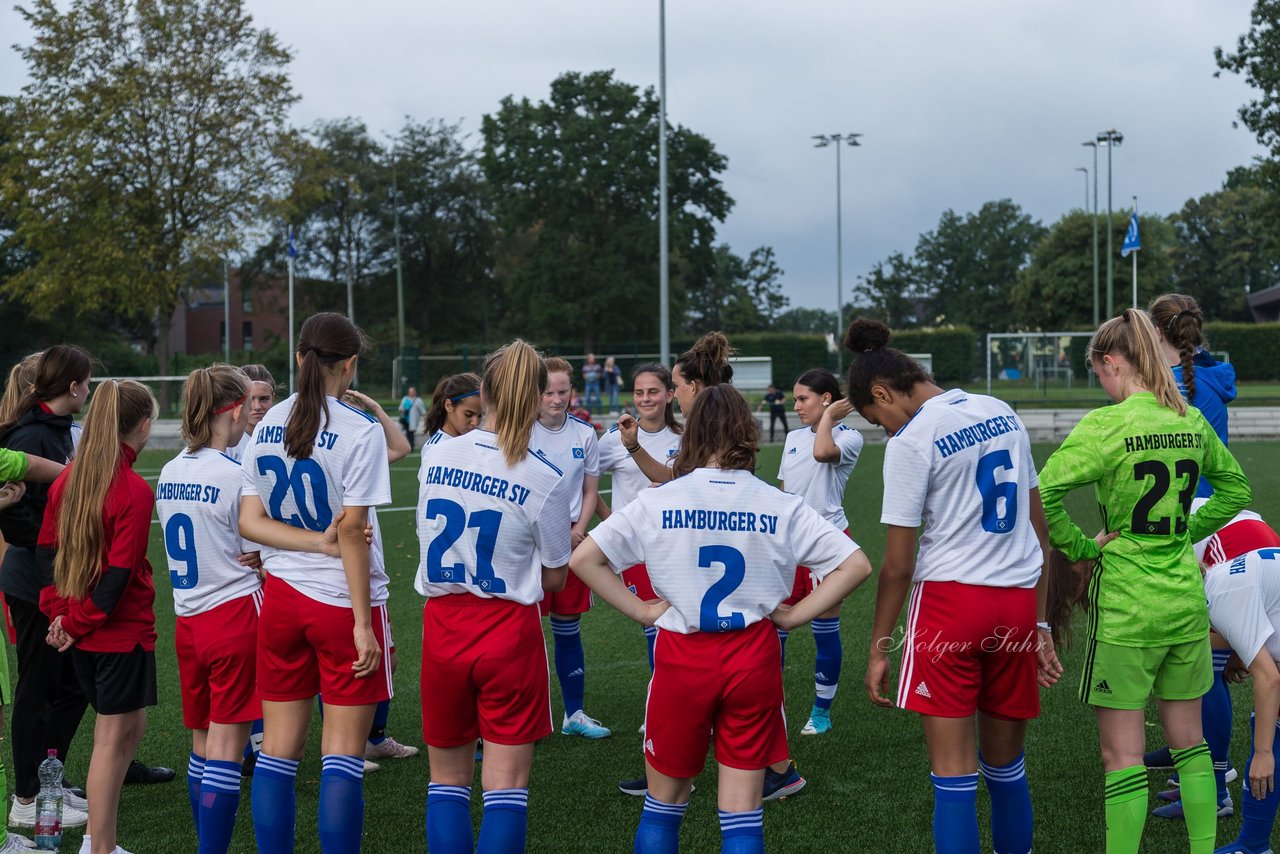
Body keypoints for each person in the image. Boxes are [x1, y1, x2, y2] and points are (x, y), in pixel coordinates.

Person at [570, 384, 873, 853]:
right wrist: (793, 618)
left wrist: (645, 611)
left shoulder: (662, 499)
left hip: (682, 657)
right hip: (752, 656)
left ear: (693, 434)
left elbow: (584, 559)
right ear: (746, 432)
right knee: (741, 810)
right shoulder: (778, 501)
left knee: (664, 803)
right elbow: (856, 565)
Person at [1038, 308, 1252, 854]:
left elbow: (1044, 491)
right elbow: (1234, 493)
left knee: (1122, 756)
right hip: (1184, 602)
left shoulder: (1107, 425)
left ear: (1112, 363)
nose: (1101, 385)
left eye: (1099, 373)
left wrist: (1080, 547)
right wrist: (1185, 530)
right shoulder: (1188, 417)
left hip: (1128, 612)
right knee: (1192, 745)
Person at [844, 318, 1053, 854]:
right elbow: (1039, 529)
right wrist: (1042, 619)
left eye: (877, 418)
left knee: (954, 780)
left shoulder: (912, 439)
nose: (885, 429)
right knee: (1007, 770)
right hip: (1014, 605)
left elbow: (897, 565)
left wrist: (877, 648)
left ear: (882, 392)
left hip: (949, 607)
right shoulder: (1001, 410)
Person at [238, 313, 394, 854]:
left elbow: (250, 523)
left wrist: (306, 545)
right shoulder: (360, 429)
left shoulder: (263, 424)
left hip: (281, 600)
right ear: (348, 364)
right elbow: (352, 529)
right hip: (337, 605)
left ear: (299, 358)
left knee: (278, 754)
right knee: (343, 757)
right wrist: (360, 624)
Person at [416, 339, 576, 853]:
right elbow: (554, 578)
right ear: (534, 398)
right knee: (505, 789)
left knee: (446, 784)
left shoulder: (436, 455)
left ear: (484, 392)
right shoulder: (542, 475)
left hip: (443, 628)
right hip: (508, 632)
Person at [39, 379, 160, 854]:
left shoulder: (69, 478)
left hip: (87, 630)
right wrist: (68, 619)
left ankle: (98, 841)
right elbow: (116, 579)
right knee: (111, 740)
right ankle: (100, 846)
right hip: (112, 632)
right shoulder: (129, 488)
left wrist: (62, 616)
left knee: (131, 726)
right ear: (144, 426)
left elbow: (45, 554)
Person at [155, 365, 265, 853]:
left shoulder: (170, 469)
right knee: (227, 745)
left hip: (189, 619)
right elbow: (257, 549)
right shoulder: (236, 473)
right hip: (233, 614)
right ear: (236, 408)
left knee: (202, 743)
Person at [1143, 293, 1241, 817]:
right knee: (1200, 654)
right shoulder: (1213, 374)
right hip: (1213, 515)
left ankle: (1217, 779)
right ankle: (1195, 756)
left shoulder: (1168, 384)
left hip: (1183, 519)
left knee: (1199, 656)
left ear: (1157, 333)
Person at [0, 345, 93, 831]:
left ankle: (48, 780)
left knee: (73, 683)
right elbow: (19, 524)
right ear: (74, 386)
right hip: (36, 581)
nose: (90, 389)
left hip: (58, 578)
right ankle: (27, 796)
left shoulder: (57, 431)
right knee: (37, 688)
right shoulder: (34, 434)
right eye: (87, 381)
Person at [777, 368, 864, 737]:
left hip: (828, 543)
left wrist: (827, 419)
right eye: (795, 398)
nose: (796, 406)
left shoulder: (851, 437)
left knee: (824, 629)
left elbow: (823, 451)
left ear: (826, 399)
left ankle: (821, 711)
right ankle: (768, 705)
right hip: (787, 544)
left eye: (803, 399)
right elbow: (782, 490)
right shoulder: (793, 437)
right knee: (773, 631)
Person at [532, 357, 608, 739]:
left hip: (569, 541)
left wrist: (579, 528)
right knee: (525, 633)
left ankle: (574, 714)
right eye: (549, 392)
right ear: (536, 393)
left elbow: (591, 491)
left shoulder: (584, 434)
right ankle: (526, 718)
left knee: (568, 630)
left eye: (563, 391)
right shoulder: (520, 432)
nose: (557, 399)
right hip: (529, 546)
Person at [593, 363, 682, 671]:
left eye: (654, 392)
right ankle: (659, 708)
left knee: (675, 624)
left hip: (675, 542)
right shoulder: (615, 438)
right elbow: (586, 483)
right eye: (639, 392)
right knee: (656, 622)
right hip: (635, 548)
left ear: (670, 395)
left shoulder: (684, 438)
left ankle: (668, 702)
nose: (646, 399)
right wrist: (610, 520)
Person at [228, 364, 276, 462]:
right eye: (250, 399)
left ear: (273, 398)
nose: (257, 406)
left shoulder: (282, 437)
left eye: (264, 399)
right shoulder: (227, 444)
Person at [421, 373, 483, 447]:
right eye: (468, 414)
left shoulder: (476, 441)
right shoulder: (436, 447)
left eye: (480, 415)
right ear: (448, 406)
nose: (475, 422)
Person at [400, 387, 427, 452]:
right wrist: (403, 410)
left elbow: (422, 410)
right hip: (405, 419)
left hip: (413, 419)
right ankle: (410, 445)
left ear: (414, 392)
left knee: (411, 433)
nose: (411, 393)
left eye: (412, 391)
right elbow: (401, 407)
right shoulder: (405, 399)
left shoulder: (418, 400)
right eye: (410, 391)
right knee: (407, 432)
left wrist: (425, 416)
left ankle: (411, 446)